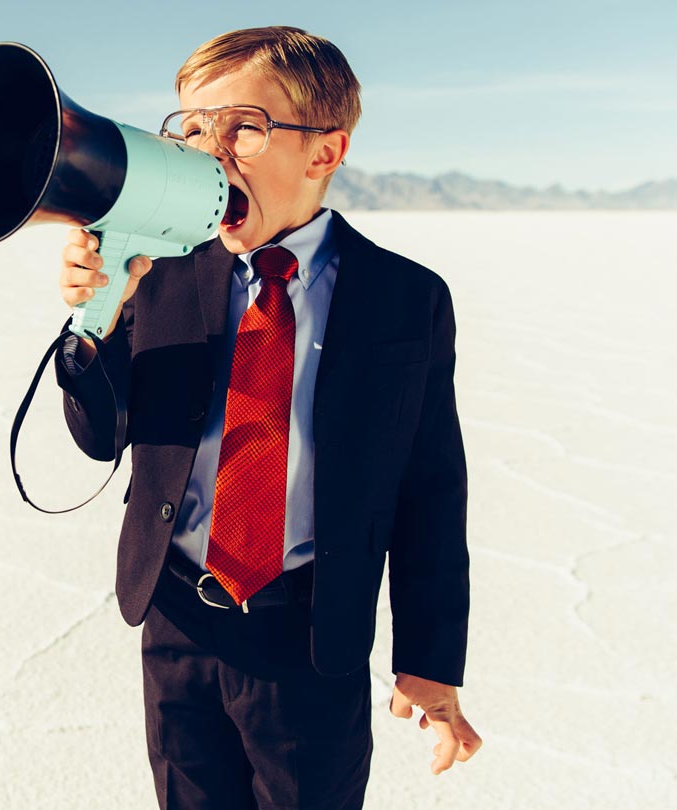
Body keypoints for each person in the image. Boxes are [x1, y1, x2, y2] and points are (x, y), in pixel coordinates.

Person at [51, 25, 482, 809]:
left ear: (325, 151)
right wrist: (95, 327)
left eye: (243, 127)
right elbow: (100, 436)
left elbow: (430, 488)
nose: (209, 152)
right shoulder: (162, 272)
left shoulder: (404, 298)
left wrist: (429, 657)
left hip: (309, 640)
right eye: (192, 128)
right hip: (177, 621)